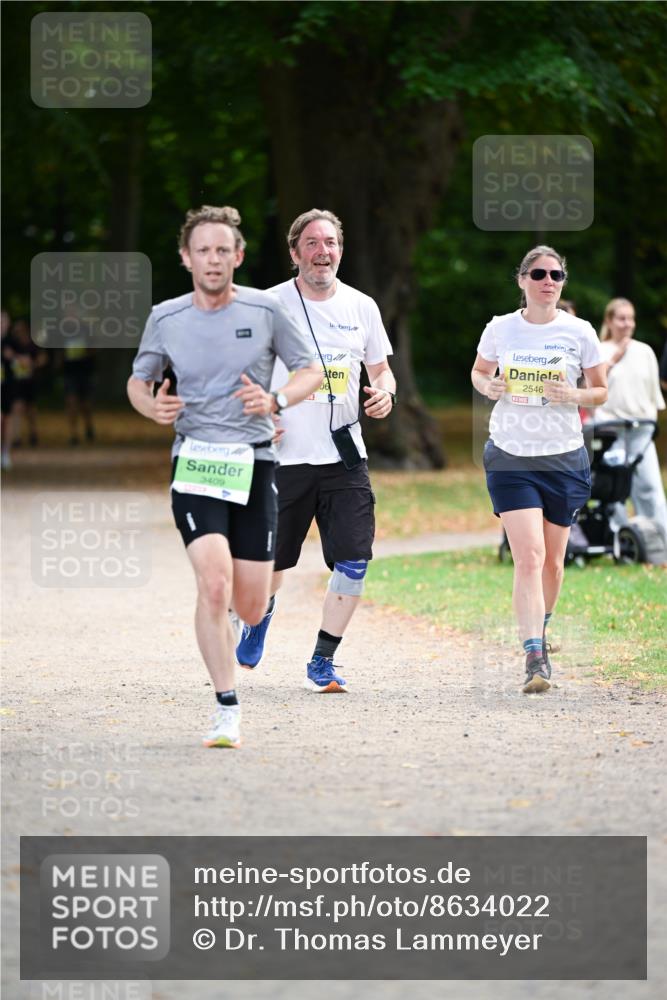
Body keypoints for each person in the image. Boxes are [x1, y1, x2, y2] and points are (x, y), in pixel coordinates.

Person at [127, 205, 322, 748]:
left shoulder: (265, 310)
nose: (213, 259)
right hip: (195, 461)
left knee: (250, 604)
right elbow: (139, 381)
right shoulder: (166, 317)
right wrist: (152, 408)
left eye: (222, 250)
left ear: (237, 256)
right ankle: (226, 706)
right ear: (186, 257)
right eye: (202, 250)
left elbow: (311, 370)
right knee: (213, 584)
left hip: (255, 461)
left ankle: (245, 621)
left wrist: (277, 398)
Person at [235, 208, 396, 692]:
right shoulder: (268, 305)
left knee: (354, 562)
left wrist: (386, 392)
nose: (322, 251)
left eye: (330, 243)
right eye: (312, 243)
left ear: (340, 250)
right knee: (271, 567)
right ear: (294, 252)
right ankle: (258, 616)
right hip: (282, 459)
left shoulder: (362, 306)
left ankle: (322, 661)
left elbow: (381, 369)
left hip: (345, 457)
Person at [471, 246, 607, 694]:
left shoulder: (580, 331)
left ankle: (541, 630)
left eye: (556, 274)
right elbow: (478, 372)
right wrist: (488, 385)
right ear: (522, 281)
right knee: (527, 557)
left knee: (553, 563)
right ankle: (534, 655)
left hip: (563, 457)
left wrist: (574, 396)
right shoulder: (500, 328)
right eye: (539, 273)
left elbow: (601, 392)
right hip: (511, 454)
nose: (549, 280)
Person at [594, 297, 667, 541]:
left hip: (641, 430)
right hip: (610, 430)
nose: (627, 324)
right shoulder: (599, 351)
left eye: (630, 319)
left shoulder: (645, 351)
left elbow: (652, 395)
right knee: (614, 489)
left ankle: (660, 541)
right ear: (609, 321)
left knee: (651, 487)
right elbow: (593, 388)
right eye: (621, 318)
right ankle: (619, 539)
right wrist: (615, 358)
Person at [63, 344, 97, 445]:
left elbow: (93, 350)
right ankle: (73, 434)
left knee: (86, 405)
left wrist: (85, 353)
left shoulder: (86, 332)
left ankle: (88, 426)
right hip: (70, 374)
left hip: (85, 373)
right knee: (71, 403)